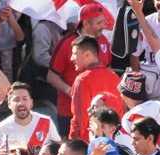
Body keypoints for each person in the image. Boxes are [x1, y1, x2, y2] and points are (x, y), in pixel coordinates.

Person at [49, 3, 115, 135]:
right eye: (99, 23)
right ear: (85, 24)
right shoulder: (67, 43)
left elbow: (108, 69)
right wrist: (70, 90)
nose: (103, 26)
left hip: (98, 112)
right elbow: (51, 76)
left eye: (104, 22)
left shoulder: (103, 41)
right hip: (69, 111)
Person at [69, 36, 122, 141]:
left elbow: (80, 120)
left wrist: (73, 144)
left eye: (75, 54)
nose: (71, 58)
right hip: (115, 141)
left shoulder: (82, 80)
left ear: (87, 55)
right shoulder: (114, 76)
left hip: (89, 144)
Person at [0, 82, 62, 155]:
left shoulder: (46, 122)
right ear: (9, 104)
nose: (21, 103)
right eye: (16, 99)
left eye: (25, 99)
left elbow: (58, 148)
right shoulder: (1, 128)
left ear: (31, 103)